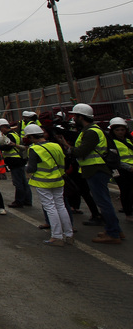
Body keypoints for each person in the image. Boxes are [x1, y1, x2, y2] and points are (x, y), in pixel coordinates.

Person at [70, 103, 124, 244]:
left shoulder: (91, 132)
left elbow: (82, 151)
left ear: (81, 117)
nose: (73, 118)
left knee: (103, 202)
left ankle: (113, 233)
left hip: (96, 169)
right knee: (104, 201)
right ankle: (115, 230)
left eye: (75, 116)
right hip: (95, 169)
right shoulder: (91, 130)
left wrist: (69, 148)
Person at [24, 123, 74, 246]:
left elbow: (31, 168)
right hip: (58, 179)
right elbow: (63, 161)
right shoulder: (55, 145)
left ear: (31, 137)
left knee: (50, 207)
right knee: (61, 206)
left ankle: (56, 236)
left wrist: (27, 168)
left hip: (43, 182)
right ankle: (69, 234)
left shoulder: (34, 149)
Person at [0, 118, 31, 208]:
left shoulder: (10, 136)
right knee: (23, 182)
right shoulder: (14, 134)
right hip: (18, 160)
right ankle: (27, 200)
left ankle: (19, 201)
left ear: (4, 127)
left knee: (18, 182)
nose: (0, 131)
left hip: (14, 161)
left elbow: (8, 147)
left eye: (0, 129)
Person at [108, 117, 133, 222]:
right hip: (122, 170)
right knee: (125, 191)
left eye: (122, 130)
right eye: (117, 130)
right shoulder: (112, 142)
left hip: (131, 169)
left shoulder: (129, 140)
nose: (120, 132)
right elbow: (114, 158)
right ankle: (128, 213)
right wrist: (128, 167)